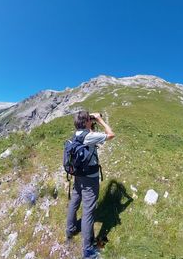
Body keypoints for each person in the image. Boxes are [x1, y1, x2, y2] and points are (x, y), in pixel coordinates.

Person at [66, 110, 115, 258]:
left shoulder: (76, 135)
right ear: (86, 122)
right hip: (90, 178)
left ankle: (71, 230)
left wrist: (90, 121)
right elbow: (111, 135)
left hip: (78, 176)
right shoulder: (90, 136)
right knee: (88, 212)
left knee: (74, 201)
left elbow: (88, 137)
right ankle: (88, 252)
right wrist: (100, 120)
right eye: (89, 119)